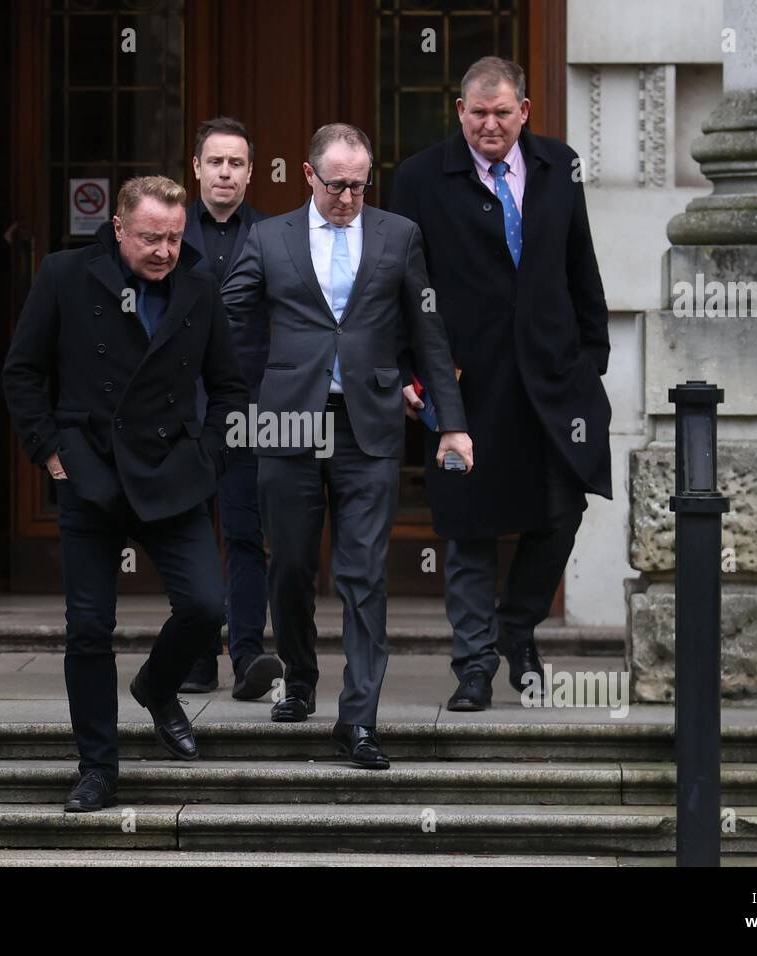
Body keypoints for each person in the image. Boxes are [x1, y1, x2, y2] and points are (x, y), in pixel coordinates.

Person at [221, 123, 472, 769]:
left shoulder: (398, 235)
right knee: (293, 565)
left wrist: (452, 421)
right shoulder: (269, 236)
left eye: (360, 185)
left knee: (363, 575)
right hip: (287, 422)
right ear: (308, 176)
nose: (349, 198)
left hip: (370, 424)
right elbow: (226, 318)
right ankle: (300, 680)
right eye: (337, 185)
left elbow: (430, 330)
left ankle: (358, 721)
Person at [2, 176, 248, 811]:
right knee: (88, 628)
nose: (164, 250)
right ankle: (97, 768)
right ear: (118, 229)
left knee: (205, 607)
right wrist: (49, 449)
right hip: (91, 470)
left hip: (172, 469)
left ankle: (156, 688)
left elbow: (228, 386)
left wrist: (209, 455)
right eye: (149, 238)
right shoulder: (63, 275)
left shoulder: (199, 285)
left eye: (172, 237)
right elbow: (22, 372)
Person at [390, 56, 612, 712]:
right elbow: (403, 286)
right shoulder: (421, 178)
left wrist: (592, 353)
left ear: (525, 112)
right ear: (460, 112)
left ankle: (517, 629)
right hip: (465, 382)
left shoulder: (558, 165)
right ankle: (475, 665)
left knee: (564, 507)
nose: (490, 124)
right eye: (477, 112)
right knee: (469, 525)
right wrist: (409, 371)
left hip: (554, 379)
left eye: (502, 112)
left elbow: (580, 262)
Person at [177, 116, 282, 700]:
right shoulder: (166, 231)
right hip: (181, 413)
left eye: (236, 163)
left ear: (250, 171)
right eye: (215, 161)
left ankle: (246, 657)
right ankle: (195, 656)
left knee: (246, 534)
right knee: (190, 533)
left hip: (249, 410)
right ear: (196, 168)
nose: (225, 172)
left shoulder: (274, 235)